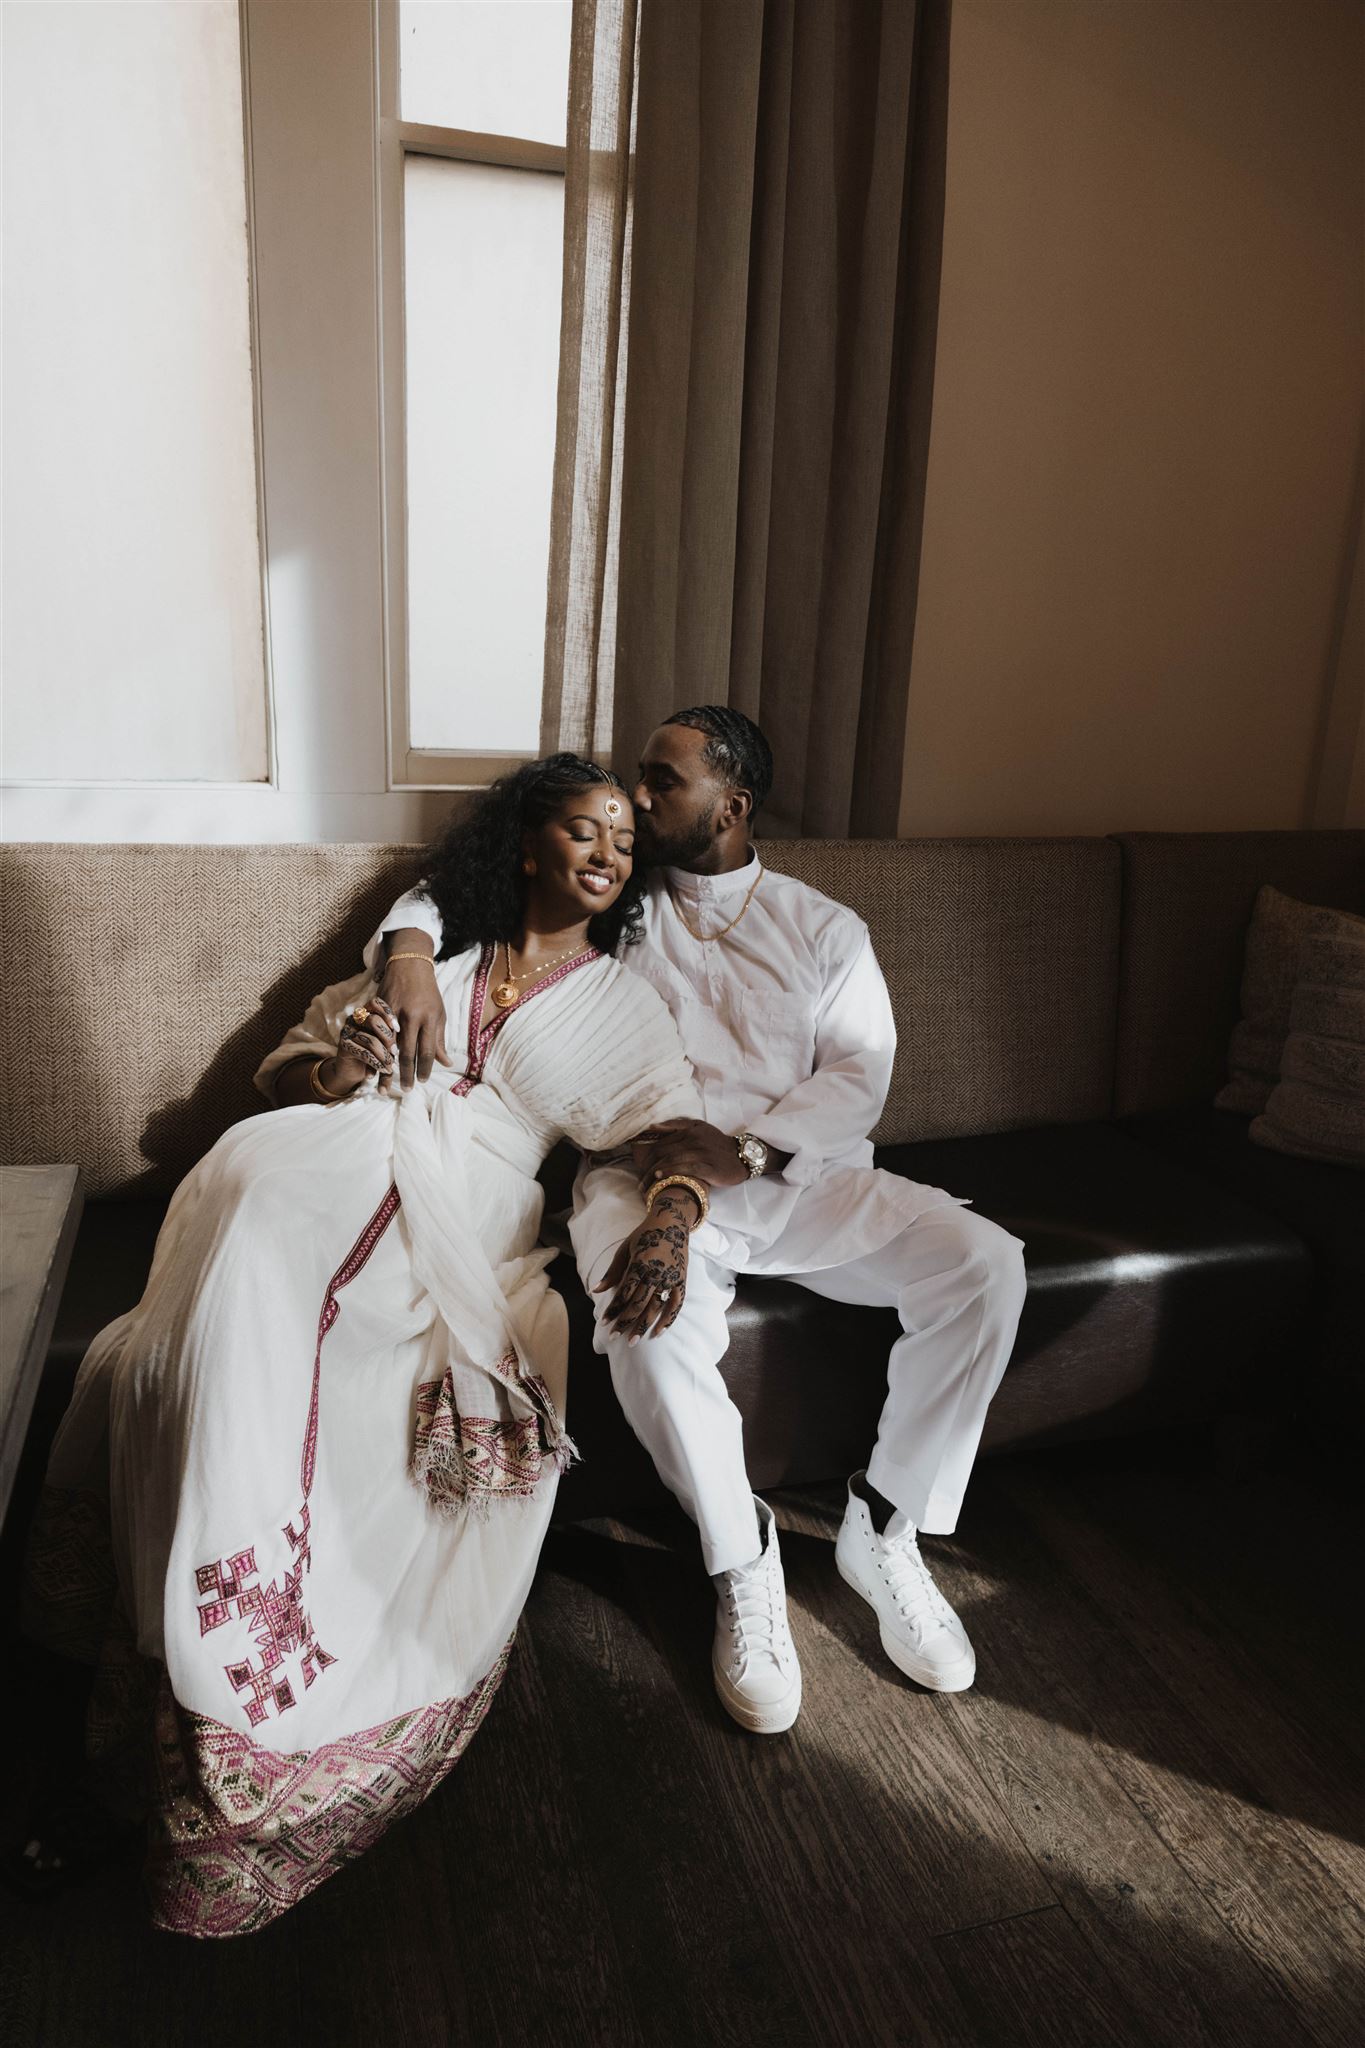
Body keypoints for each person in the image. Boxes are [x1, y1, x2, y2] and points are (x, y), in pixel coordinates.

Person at [18, 756, 705, 1934]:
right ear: (529, 841)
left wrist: (674, 1222)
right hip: (343, 1155)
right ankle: (142, 1707)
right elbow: (290, 1069)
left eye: (625, 847)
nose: (606, 855)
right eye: (583, 831)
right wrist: (351, 1063)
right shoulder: (431, 949)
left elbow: (677, 1129)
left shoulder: (623, 1004)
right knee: (212, 1283)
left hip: (472, 1213)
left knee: (334, 1350)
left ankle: (239, 1728)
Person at [375, 707, 1030, 1736]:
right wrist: (410, 950)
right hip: (638, 1182)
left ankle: (886, 1527)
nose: (635, 802)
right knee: (649, 1326)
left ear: (731, 804)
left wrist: (755, 1149)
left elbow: (862, 1075)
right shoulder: (616, 898)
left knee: (987, 1264)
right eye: (635, 782)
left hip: (805, 1182)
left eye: (660, 781)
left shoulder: (826, 930)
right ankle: (744, 1560)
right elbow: (460, 882)